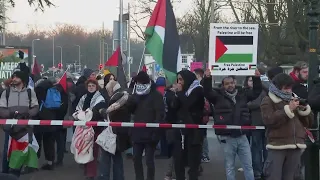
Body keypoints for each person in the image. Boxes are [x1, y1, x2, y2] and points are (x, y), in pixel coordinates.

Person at [203, 69, 262, 180]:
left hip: (242, 136)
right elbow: (207, 92)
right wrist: (207, 78)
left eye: (232, 83)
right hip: (227, 136)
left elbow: (256, 92)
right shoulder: (217, 96)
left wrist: (256, 78)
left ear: (235, 83)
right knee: (229, 166)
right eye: (227, 84)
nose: (230, 85)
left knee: (248, 166)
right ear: (223, 85)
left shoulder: (243, 94)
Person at [260, 73, 313, 180]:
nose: (289, 91)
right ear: (277, 87)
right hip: (277, 145)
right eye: (286, 88)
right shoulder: (268, 100)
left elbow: (308, 123)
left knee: (292, 177)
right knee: (274, 176)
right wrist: (288, 109)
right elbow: (269, 120)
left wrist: (303, 110)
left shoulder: (294, 98)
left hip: (296, 145)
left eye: (290, 88)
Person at [126, 71, 165, 180]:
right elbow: (131, 111)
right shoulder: (135, 94)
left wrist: (156, 131)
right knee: (136, 159)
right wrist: (130, 101)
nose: (139, 85)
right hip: (137, 132)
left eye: (141, 82)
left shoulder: (156, 95)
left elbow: (160, 113)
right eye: (137, 82)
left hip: (150, 133)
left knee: (149, 161)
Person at [0, 71, 39, 177]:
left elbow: (35, 107)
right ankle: (6, 174)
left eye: (17, 77)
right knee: (7, 154)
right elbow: (1, 109)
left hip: (25, 129)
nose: (14, 78)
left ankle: (15, 175)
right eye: (13, 77)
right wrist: (11, 113)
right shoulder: (6, 93)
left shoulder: (30, 93)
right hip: (10, 129)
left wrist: (27, 114)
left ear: (22, 79)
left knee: (22, 153)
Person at [171, 70, 205, 180]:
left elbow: (189, 104)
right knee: (178, 160)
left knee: (193, 162)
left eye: (181, 79)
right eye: (178, 80)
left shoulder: (198, 89)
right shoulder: (181, 92)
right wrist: (176, 94)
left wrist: (180, 93)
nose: (179, 82)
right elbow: (174, 107)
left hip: (194, 130)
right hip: (180, 129)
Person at [97, 80, 131, 180]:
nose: (108, 92)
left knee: (105, 158)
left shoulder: (116, 98)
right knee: (118, 158)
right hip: (121, 132)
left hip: (113, 132)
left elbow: (109, 113)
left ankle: (104, 177)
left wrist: (101, 111)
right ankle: (119, 177)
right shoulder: (125, 95)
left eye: (108, 90)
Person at [75, 79, 106, 180]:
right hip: (83, 129)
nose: (91, 87)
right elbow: (77, 110)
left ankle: (91, 175)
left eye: (93, 85)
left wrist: (85, 114)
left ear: (96, 87)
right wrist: (81, 115)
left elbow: (97, 113)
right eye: (89, 86)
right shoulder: (83, 98)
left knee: (92, 152)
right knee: (84, 150)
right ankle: (87, 172)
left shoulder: (100, 99)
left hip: (95, 129)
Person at [244, 75, 268, 179]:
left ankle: (260, 171)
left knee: (259, 148)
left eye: (252, 80)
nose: (251, 82)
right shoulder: (248, 92)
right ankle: (261, 171)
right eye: (249, 80)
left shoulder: (261, 91)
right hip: (255, 124)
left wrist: (244, 104)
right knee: (258, 148)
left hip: (259, 124)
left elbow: (256, 104)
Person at [194, 68, 211, 163]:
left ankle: (205, 155)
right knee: (202, 135)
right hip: (202, 114)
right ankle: (203, 154)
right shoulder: (200, 84)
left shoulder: (202, 85)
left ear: (198, 75)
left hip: (203, 114)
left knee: (203, 135)